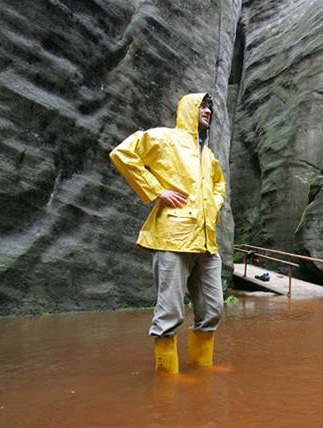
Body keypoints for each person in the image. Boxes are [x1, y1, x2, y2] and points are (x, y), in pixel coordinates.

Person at [109, 93, 226, 373]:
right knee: (171, 311)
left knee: (213, 309)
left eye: (210, 106)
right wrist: (156, 190)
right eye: (202, 105)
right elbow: (122, 153)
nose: (207, 110)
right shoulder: (165, 138)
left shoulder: (207, 154)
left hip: (207, 241)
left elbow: (219, 186)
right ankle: (167, 379)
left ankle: (203, 369)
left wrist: (213, 207)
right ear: (189, 108)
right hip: (173, 238)